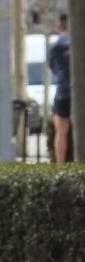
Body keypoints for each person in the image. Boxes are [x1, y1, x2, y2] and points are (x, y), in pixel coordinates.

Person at [49, 14, 71, 165]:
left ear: (59, 26)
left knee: (61, 131)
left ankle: (60, 165)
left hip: (63, 91)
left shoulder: (55, 46)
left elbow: (52, 67)